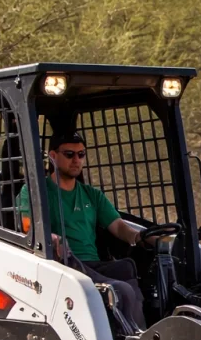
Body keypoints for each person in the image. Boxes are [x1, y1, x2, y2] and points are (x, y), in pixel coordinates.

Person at [16, 131, 148, 329]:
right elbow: (27, 225)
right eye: (69, 154)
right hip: (65, 265)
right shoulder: (35, 191)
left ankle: (145, 335)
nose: (76, 160)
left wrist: (141, 237)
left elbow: (119, 227)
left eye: (81, 154)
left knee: (129, 268)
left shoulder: (91, 195)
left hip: (92, 265)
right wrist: (51, 238)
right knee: (122, 290)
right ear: (53, 156)